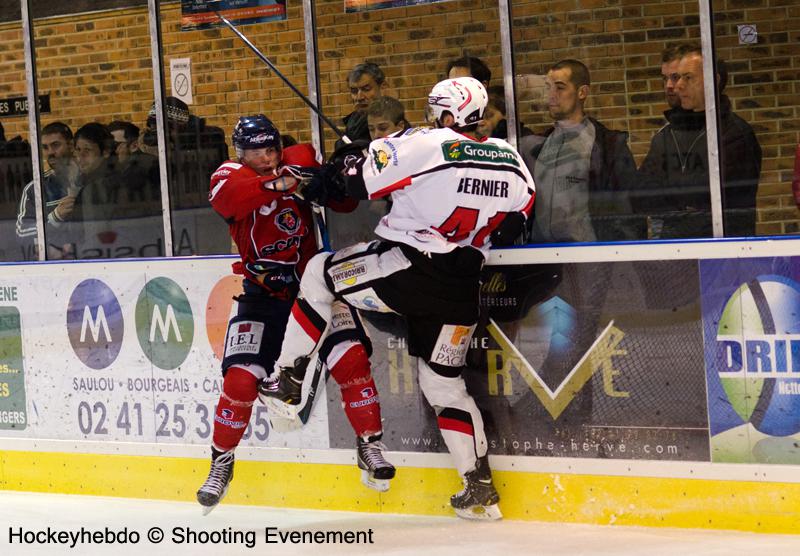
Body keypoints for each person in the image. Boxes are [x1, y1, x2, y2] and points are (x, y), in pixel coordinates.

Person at [261, 77, 535, 521]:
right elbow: (518, 219)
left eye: (436, 109)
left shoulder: (427, 144)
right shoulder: (510, 157)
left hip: (407, 271)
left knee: (319, 273)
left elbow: (354, 184)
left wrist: (353, 154)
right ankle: (479, 488)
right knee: (444, 386)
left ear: (447, 114)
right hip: (462, 290)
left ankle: (289, 378)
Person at [196, 115, 393, 514]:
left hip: (313, 291)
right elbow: (236, 198)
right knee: (240, 381)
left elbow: (344, 202)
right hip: (262, 296)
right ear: (241, 153)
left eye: (272, 150)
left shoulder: (300, 159)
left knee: (352, 360)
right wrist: (289, 180)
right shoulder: (226, 175)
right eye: (257, 152)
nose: (267, 158)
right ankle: (221, 461)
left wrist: (341, 173)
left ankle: (370, 445)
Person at [637, 45, 762, 238]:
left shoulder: (735, 134)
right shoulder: (666, 135)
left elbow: (723, 200)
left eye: (688, 78)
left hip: (723, 246)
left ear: (714, 81)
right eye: (678, 77)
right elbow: (643, 193)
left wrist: (674, 196)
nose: (678, 86)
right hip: (674, 245)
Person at [519, 59, 641, 243]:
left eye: (560, 88)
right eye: (548, 87)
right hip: (539, 253)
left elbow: (627, 210)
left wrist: (623, 254)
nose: (551, 95)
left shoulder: (606, 146)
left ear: (582, 92)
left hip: (589, 254)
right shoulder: (538, 146)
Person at [15, 122, 78, 254]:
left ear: (71, 145)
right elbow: (22, 233)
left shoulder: (90, 179)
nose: (50, 152)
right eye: (45, 147)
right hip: (57, 261)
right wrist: (55, 217)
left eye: (55, 145)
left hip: (95, 256)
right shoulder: (35, 188)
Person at [107, 120, 160, 212]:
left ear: (134, 146)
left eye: (115, 145)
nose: (113, 151)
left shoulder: (145, 168)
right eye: (108, 146)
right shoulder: (111, 172)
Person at [334, 62, 387, 150]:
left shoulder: (393, 119)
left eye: (366, 89)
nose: (359, 97)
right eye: (354, 91)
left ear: (382, 87)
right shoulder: (352, 122)